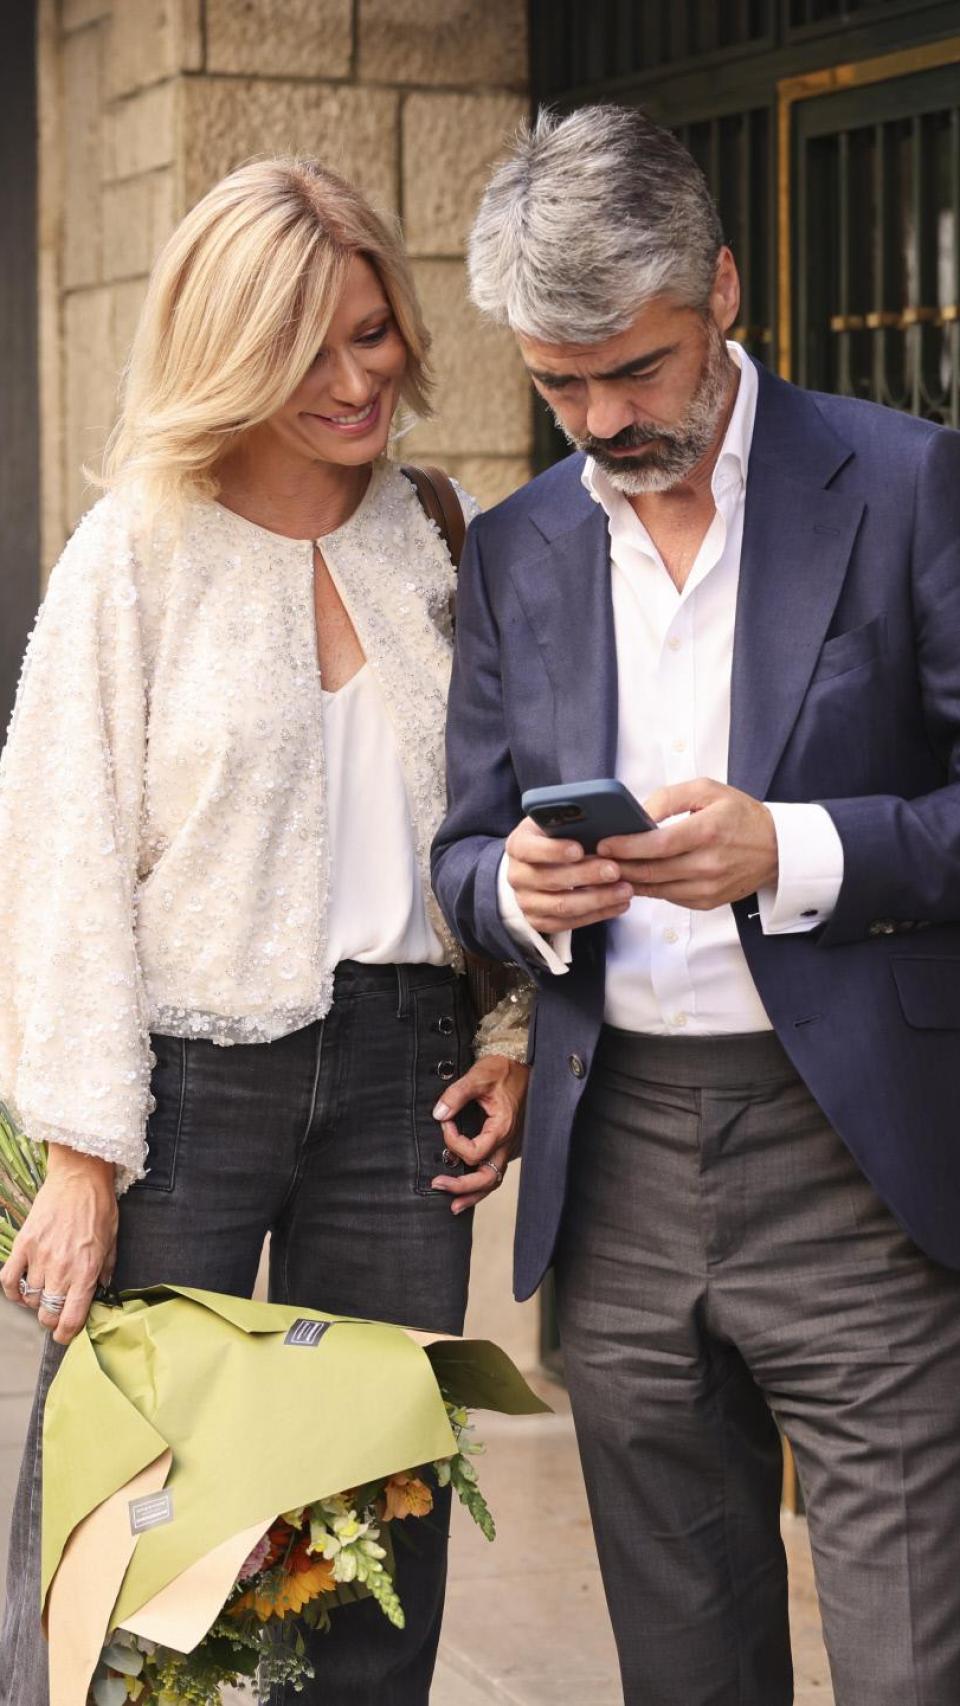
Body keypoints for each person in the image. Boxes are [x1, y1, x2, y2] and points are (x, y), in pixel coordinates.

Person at [431, 104, 960, 1706]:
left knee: (911, 1663)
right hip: (619, 1167)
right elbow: (462, 851)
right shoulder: (517, 550)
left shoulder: (909, 481)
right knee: (687, 1672)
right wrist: (515, 886)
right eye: (560, 384)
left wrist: (788, 851)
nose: (603, 419)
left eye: (638, 370)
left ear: (723, 286)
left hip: (857, 1156)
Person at [0, 156, 529, 1706]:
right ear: (227, 350)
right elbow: (62, 856)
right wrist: (80, 1153)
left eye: (371, 333)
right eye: (307, 350)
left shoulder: (438, 531)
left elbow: (500, 807)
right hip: (188, 1085)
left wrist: (510, 1032)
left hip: (405, 1076)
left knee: (371, 1530)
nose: (358, 378)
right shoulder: (136, 551)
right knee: (124, 1535)